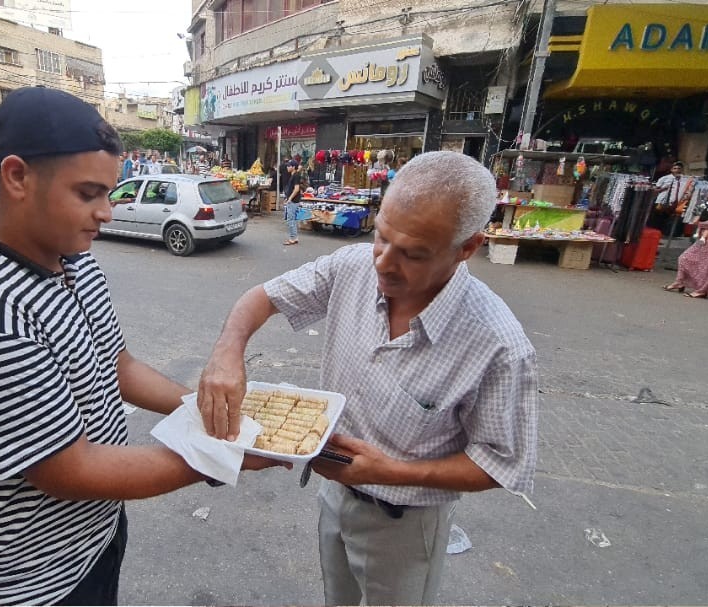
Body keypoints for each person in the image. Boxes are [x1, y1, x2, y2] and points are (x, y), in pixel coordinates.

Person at [0, 87, 277, 606]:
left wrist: (211, 411)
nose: (107, 214)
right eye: (88, 194)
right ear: (17, 177)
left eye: (109, 194)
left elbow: (116, 366)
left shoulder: (71, 257)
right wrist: (221, 455)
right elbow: (65, 469)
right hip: (21, 579)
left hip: (90, 538)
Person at [197, 151, 539, 606]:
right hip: (333, 494)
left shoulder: (498, 345)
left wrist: (392, 472)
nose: (383, 263)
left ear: (467, 248)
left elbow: (501, 462)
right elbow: (262, 297)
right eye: (381, 237)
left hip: (405, 524)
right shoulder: (351, 266)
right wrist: (227, 353)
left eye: (414, 254)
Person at [664, 183, 708, 299]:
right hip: (704, 236)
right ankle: (680, 282)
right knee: (685, 258)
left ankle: (702, 290)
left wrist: (699, 223)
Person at [283, 159, 303, 245]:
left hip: (293, 201)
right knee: (292, 219)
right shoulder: (294, 174)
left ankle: (292, 238)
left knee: (290, 219)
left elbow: (296, 189)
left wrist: (290, 198)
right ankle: (294, 237)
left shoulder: (296, 175)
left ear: (293, 167)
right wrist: (287, 198)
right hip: (292, 200)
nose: (287, 167)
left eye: (289, 166)